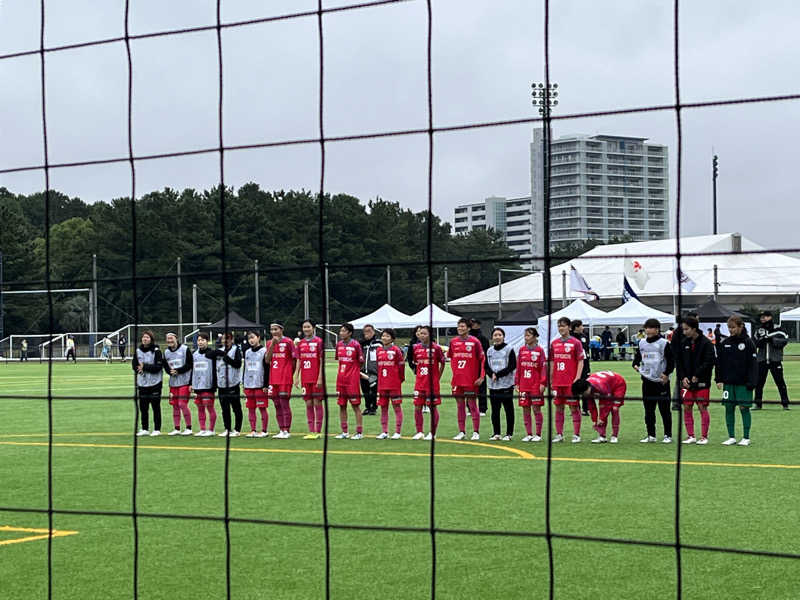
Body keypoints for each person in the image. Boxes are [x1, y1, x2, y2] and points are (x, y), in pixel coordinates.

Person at [716, 315, 759, 446]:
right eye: (729, 327)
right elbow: (720, 363)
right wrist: (718, 379)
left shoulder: (748, 342)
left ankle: (746, 437)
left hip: (743, 383)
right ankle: (731, 437)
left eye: (733, 327)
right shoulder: (725, 343)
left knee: (743, 408)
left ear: (741, 326)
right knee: (729, 408)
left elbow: (753, 364)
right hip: (728, 383)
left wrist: (752, 382)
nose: (731, 330)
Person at [632, 318, 674, 443]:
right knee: (648, 409)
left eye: (651, 328)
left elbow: (671, 361)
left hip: (661, 382)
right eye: (646, 328)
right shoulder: (641, 343)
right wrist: (635, 364)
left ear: (657, 329)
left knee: (664, 410)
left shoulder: (664, 343)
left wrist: (666, 374)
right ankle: (651, 435)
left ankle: (668, 435)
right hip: (647, 380)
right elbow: (637, 358)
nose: (648, 330)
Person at [676, 316, 716, 445]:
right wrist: (683, 377)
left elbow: (709, 362)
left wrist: (697, 375)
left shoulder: (706, 343)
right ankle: (690, 436)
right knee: (687, 407)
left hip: (702, 381)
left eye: (686, 329)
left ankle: (704, 437)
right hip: (687, 382)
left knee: (702, 407)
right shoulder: (683, 342)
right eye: (683, 329)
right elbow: (679, 362)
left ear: (694, 329)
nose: (684, 332)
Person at [448, 318, 485, 440]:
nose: (460, 328)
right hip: (457, 380)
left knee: (472, 405)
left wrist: (481, 376)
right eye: (459, 326)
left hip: (470, 380)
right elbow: (450, 358)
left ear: (469, 328)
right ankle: (462, 432)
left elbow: (482, 359)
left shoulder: (475, 342)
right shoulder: (453, 342)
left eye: (463, 326)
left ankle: (476, 432)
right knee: (460, 406)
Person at [550, 317, 586, 443]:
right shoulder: (554, 343)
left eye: (563, 326)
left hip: (570, 382)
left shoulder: (576, 343)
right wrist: (551, 380)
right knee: (559, 408)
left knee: (574, 407)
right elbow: (552, 362)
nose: (561, 328)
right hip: (557, 382)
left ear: (569, 327)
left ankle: (576, 434)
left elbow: (581, 361)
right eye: (559, 326)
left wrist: (577, 378)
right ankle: (559, 434)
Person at [410, 325, 445, 440]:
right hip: (419, 383)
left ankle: (432, 433)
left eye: (424, 333)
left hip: (432, 384)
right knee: (417, 407)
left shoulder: (436, 348)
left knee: (432, 408)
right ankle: (419, 431)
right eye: (420, 333)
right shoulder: (416, 348)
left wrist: (437, 377)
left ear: (430, 334)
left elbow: (443, 363)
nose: (422, 336)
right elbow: (416, 363)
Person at [572, 371, 627, 443]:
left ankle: (614, 436)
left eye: (583, 393)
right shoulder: (587, 389)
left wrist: (601, 419)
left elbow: (607, 404)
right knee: (602, 411)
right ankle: (602, 436)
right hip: (607, 384)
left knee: (614, 409)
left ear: (588, 388)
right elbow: (592, 407)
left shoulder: (600, 387)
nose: (583, 396)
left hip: (618, 384)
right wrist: (595, 420)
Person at [752, 310, 790, 410]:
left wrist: (772, 340)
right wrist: (762, 340)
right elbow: (754, 343)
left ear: (770, 317)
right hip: (762, 360)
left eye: (764, 316)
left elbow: (784, 340)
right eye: (761, 317)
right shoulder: (758, 329)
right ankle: (758, 404)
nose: (762, 318)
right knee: (759, 383)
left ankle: (785, 404)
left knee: (780, 382)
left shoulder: (778, 328)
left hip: (775, 360)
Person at [294, 319, 324, 439]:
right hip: (305, 379)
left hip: (316, 378)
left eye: (308, 327)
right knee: (308, 403)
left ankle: (318, 431)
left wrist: (320, 378)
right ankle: (311, 431)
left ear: (313, 328)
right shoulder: (300, 343)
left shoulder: (319, 341)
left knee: (317, 402)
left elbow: (322, 361)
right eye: (304, 327)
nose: (306, 329)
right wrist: (296, 376)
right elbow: (299, 360)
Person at [515, 327, 547, 442]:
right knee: (525, 408)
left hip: (535, 385)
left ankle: (538, 434)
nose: (526, 338)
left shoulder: (540, 351)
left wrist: (543, 383)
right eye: (525, 335)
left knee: (536, 409)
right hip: (524, 384)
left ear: (534, 337)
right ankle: (528, 434)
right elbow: (518, 367)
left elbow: (543, 367)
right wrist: (516, 382)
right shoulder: (522, 350)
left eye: (528, 335)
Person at [485, 327, 516, 441]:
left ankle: (509, 434)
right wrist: (491, 373)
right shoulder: (489, 350)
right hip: (493, 385)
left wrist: (498, 374)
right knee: (495, 410)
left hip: (506, 384)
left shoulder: (509, 349)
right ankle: (496, 433)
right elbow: (486, 366)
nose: (497, 337)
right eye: (495, 335)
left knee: (508, 409)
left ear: (503, 337)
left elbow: (512, 365)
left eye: (499, 335)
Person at [266, 322, 297, 439]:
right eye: (271, 329)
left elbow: (294, 360)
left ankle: (286, 430)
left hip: (285, 379)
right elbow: (267, 360)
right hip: (273, 379)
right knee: (276, 404)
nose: (273, 332)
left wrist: (289, 374)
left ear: (281, 329)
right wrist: (272, 346)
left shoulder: (288, 342)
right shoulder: (269, 343)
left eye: (275, 329)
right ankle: (281, 429)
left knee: (284, 403)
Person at [132, 330, 164, 437]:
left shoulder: (156, 351)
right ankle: (145, 428)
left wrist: (144, 367)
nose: (145, 339)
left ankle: (157, 429)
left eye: (147, 337)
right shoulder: (137, 351)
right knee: (143, 407)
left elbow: (158, 367)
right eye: (143, 337)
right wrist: (138, 370)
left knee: (155, 407)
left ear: (151, 339)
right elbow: (134, 365)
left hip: (155, 383)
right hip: (142, 384)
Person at [335, 323, 365, 439]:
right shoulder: (339, 345)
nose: (341, 333)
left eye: (343, 331)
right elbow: (340, 361)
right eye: (341, 331)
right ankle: (344, 432)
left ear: (350, 333)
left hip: (352, 380)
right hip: (340, 379)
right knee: (342, 406)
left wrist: (354, 371)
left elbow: (360, 361)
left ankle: (359, 432)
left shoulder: (356, 345)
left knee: (355, 406)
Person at [375, 329, 405, 440]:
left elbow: (401, 366)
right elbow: (378, 367)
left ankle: (398, 431)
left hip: (394, 383)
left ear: (392, 338)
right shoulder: (378, 350)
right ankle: (384, 432)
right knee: (383, 407)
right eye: (383, 336)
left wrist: (400, 379)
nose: (384, 338)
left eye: (387, 336)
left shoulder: (396, 350)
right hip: (382, 384)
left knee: (396, 407)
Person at [163, 332, 194, 436]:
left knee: (182, 404)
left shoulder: (185, 349)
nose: (169, 341)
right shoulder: (166, 352)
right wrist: (169, 372)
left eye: (171, 338)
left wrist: (178, 371)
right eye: (168, 339)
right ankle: (177, 428)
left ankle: (189, 428)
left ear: (176, 338)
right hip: (173, 383)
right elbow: (166, 366)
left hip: (184, 382)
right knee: (175, 405)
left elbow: (190, 364)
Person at [214, 331, 243, 437]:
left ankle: (237, 429)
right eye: (223, 339)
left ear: (232, 340)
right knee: (224, 408)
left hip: (233, 383)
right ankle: (227, 429)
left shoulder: (236, 350)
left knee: (236, 407)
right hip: (221, 384)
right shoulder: (219, 351)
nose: (225, 341)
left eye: (228, 339)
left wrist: (227, 358)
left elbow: (238, 364)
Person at [190, 332, 218, 436]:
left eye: (202, 340)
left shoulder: (212, 353)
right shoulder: (195, 354)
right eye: (199, 340)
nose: (200, 342)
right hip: (197, 386)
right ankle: (202, 429)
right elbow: (193, 370)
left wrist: (214, 384)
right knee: (200, 408)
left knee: (209, 407)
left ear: (207, 341)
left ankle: (211, 430)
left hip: (208, 386)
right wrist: (191, 384)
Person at [243, 331, 269, 438]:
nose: (251, 340)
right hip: (249, 385)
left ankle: (264, 430)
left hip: (260, 385)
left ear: (258, 338)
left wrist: (266, 385)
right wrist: (244, 383)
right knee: (251, 408)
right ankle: (253, 430)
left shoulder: (264, 351)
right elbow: (245, 368)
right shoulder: (247, 352)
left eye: (253, 337)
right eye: (249, 338)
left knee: (262, 408)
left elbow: (267, 369)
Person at [570, 319, 593, 418]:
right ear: (576, 327)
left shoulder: (584, 336)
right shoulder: (570, 338)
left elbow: (586, 350)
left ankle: (586, 409)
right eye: (581, 326)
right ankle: (576, 408)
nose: (583, 328)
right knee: (574, 387)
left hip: (585, 365)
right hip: (574, 366)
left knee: (585, 386)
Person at [469, 319, 490, 415]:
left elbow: (486, 354)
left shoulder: (483, 338)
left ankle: (482, 408)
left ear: (478, 325)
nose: (472, 325)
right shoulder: (467, 338)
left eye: (474, 323)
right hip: (469, 366)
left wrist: (484, 367)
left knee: (482, 387)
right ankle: (470, 407)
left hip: (480, 365)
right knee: (469, 387)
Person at [359, 324, 381, 416]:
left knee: (373, 391)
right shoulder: (361, 344)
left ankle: (373, 408)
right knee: (365, 391)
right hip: (363, 372)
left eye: (369, 331)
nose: (367, 333)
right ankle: (367, 407)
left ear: (373, 332)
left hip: (374, 372)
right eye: (365, 331)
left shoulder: (378, 343)